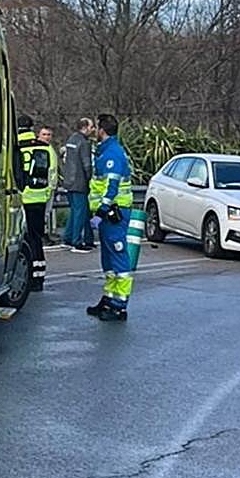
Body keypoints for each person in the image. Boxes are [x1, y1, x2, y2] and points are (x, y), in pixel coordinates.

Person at [87, 114, 133, 322]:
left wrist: (101, 211)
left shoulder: (112, 154)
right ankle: (109, 298)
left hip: (114, 213)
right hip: (108, 214)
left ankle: (119, 306)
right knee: (108, 259)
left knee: (118, 256)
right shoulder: (105, 152)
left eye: (96, 128)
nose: (94, 131)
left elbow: (111, 187)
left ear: (102, 130)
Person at [18, 114, 58, 291]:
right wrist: (48, 192)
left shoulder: (14, 147)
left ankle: (22, 276)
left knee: (18, 240)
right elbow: (53, 173)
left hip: (19, 199)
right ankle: (38, 278)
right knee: (36, 239)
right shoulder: (45, 148)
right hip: (39, 198)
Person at [61, 117, 96, 253]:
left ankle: (69, 238)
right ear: (85, 127)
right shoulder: (84, 143)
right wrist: (89, 178)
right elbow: (87, 164)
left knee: (75, 211)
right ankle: (77, 241)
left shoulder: (71, 139)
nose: (93, 130)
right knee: (80, 212)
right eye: (91, 127)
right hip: (79, 182)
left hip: (69, 181)